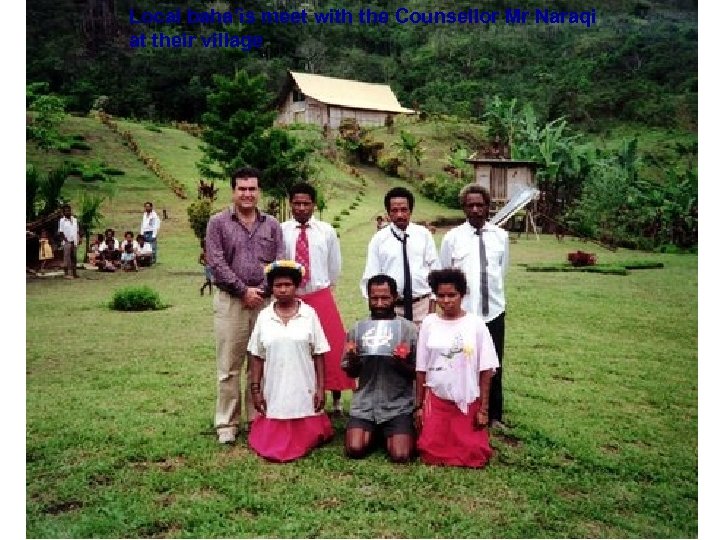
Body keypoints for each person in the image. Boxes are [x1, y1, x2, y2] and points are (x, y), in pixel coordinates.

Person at [206, 166, 284, 445]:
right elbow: (215, 261)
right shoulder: (218, 223)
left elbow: (279, 261)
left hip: (264, 303)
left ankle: (258, 418)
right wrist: (243, 291)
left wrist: (262, 291)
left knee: (261, 363)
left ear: (258, 191)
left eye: (252, 189)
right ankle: (227, 423)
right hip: (231, 302)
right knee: (229, 365)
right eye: (242, 188)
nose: (247, 194)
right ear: (233, 191)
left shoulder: (272, 224)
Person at [247, 260, 334, 462]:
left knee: (305, 428)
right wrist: (256, 390)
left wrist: (321, 388)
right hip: (275, 388)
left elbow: (319, 353)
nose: (283, 290)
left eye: (288, 285)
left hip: (304, 386)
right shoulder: (264, 317)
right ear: (271, 288)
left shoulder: (309, 314)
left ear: (296, 287)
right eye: (278, 286)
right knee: (272, 436)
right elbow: (257, 355)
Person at [439, 184, 510, 430]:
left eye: (480, 205)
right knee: (463, 362)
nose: (476, 209)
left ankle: (494, 415)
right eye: (471, 205)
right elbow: (445, 275)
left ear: (488, 207)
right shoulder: (452, 238)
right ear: (464, 208)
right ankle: (465, 410)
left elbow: (501, 272)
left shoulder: (501, 236)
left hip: (494, 312)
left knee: (493, 364)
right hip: (465, 315)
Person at [281, 182, 354, 416]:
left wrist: (326, 287)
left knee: (331, 348)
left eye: (306, 203)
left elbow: (335, 265)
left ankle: (337, 399)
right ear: (290, 204)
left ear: (314, 205)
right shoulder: (281, 230)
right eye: (297, 203)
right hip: (294, 297)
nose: (302, 208)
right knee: (299, 348)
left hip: (321, 295)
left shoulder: (326, 231)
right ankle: (303, 394)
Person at [415, 268, 499, 468]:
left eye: (452, 295)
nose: (446, 301)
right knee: (430, 453)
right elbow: (421, 369)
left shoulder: (476, 325)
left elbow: (486, 369)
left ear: (462, 295)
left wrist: (484, 409)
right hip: (437, 402)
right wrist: (418, 406)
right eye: (441, 296)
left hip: (467, 403)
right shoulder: (429, 323)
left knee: (474, 455)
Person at [342, 274, 418, 463]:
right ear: (368, 298)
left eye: (385, 298)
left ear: (394, 297)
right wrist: (354, 359)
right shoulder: (359, 329)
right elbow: (351, 372)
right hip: (365, 404)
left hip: (398, 405)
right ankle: (376, 432)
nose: (379, 303)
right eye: (374, 298)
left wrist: (400, 363)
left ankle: (391, 432)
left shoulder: (409, 330)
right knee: (354, 449)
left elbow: (419, 372)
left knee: (401, 455)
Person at [360, 187, 439, 326]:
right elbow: (371, 277)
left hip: (421, 306)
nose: (400, 215)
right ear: (388, 213)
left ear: (411, 211)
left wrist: (431, 311)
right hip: (392, 310)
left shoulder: (423, 235)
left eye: (404, 210)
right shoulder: (379, 239)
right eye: (394, 211)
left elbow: (436, 272)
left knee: (421, 346)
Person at [57, 204, 80, 279]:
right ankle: (66, 273)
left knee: (74, 258)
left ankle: (74, 273)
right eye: (66, 211)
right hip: (67, 242)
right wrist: (66, 240)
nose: (67, 212)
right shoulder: (62, 221)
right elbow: (61, 232)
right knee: (66, 258)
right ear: (63, 212)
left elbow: (77, 230)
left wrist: (78, 239)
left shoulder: (75, 220)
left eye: (68, 210)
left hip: (74, 241)